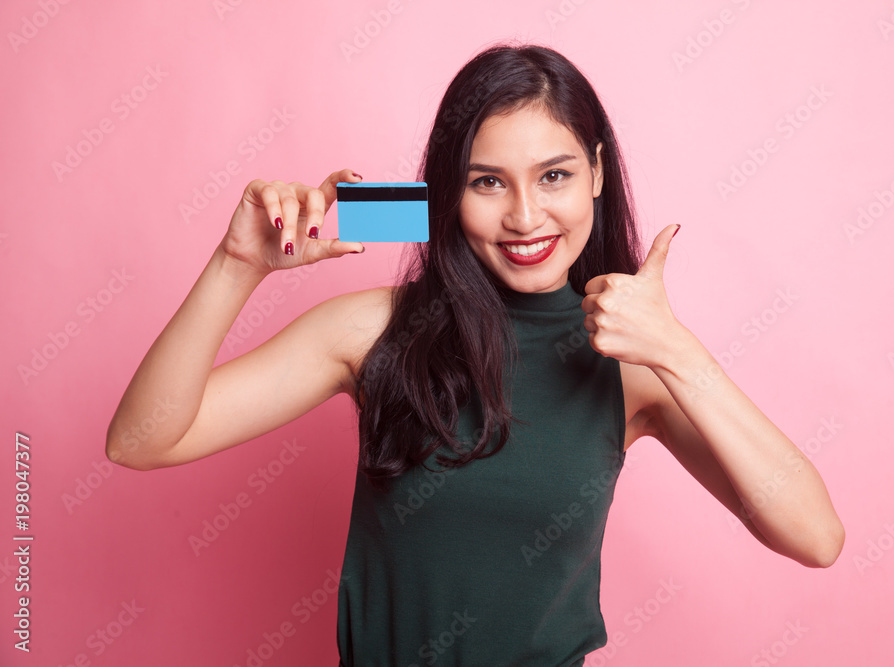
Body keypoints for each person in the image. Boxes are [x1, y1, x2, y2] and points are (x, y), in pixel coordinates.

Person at [106, 42, 845, 666]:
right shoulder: (370, 331)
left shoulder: (632, 361)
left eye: (553, 175)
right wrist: (239, 264)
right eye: (487, 182)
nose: (525, 216)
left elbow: (816, 538)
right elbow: (140, 440)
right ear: (448, 195)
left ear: (594, 170)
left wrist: (681, 353)